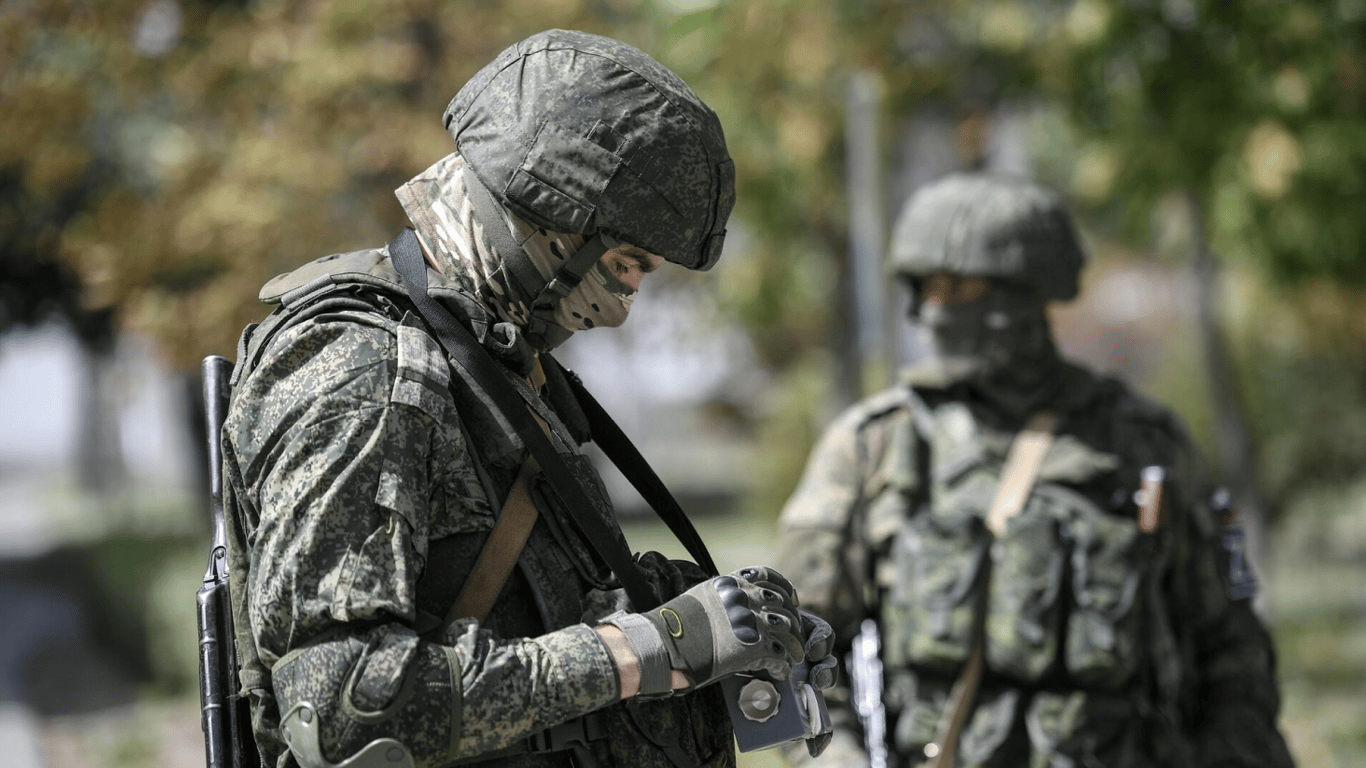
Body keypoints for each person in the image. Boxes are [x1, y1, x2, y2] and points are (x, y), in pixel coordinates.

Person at [220, 30, 834, 768]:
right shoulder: (364, 367)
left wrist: (725, 624)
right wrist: (651, 647)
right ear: (549, 224)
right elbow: (349, 708)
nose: (622, 308)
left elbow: (537, 613)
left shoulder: (490, 368)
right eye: (624, 266)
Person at [776, 173, 1295, 767]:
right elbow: (793, 655)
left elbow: (1234, 651)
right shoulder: (872, 447)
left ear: (1023, 294)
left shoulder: (1145, 445)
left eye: (953, 287)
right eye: (921, 288)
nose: (927, 311)